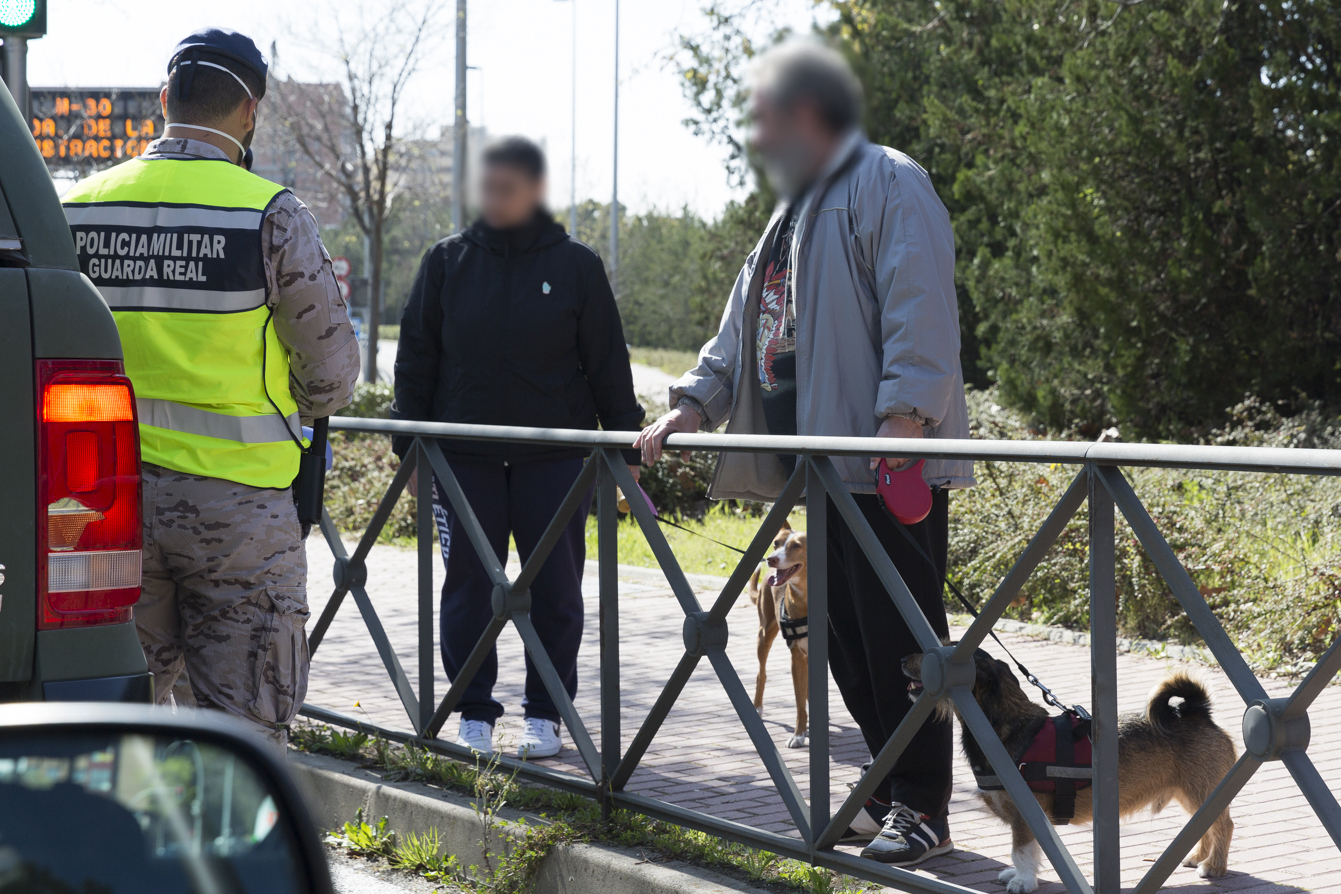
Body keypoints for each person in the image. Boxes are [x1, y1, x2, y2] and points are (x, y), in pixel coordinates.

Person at [635, 41, 974, 865]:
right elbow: (741, 326)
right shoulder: (789, 212)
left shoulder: (888, 181)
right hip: (821, 472)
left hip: (884, 464)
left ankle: (925, 807)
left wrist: (901, 422)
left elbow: (919, 307)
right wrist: (689, 406)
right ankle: (890, 788)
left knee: (902, 641)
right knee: (840, 638)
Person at [63, 29, 361, 746]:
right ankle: (229, 859)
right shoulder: (270, 215)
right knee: (242, 740)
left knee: (102, 733)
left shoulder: (76, 209)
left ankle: (99, 857)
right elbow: (332, 377)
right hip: (239, 521)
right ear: (249, 112)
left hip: (98, 510)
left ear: (166, 101)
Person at [392, 137, 643, 760]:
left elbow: (609, 363)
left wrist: (626, 454)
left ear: (534, 192)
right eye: (487, 187)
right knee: (468, 587)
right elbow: (415, 361)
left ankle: (545, 713)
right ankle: (471, 709)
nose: (494, 199)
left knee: (556, 590)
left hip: (554, 463)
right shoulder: (446, 262)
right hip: (464, 459)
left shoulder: (577, 266)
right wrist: (409, 451)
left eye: (507, 188)